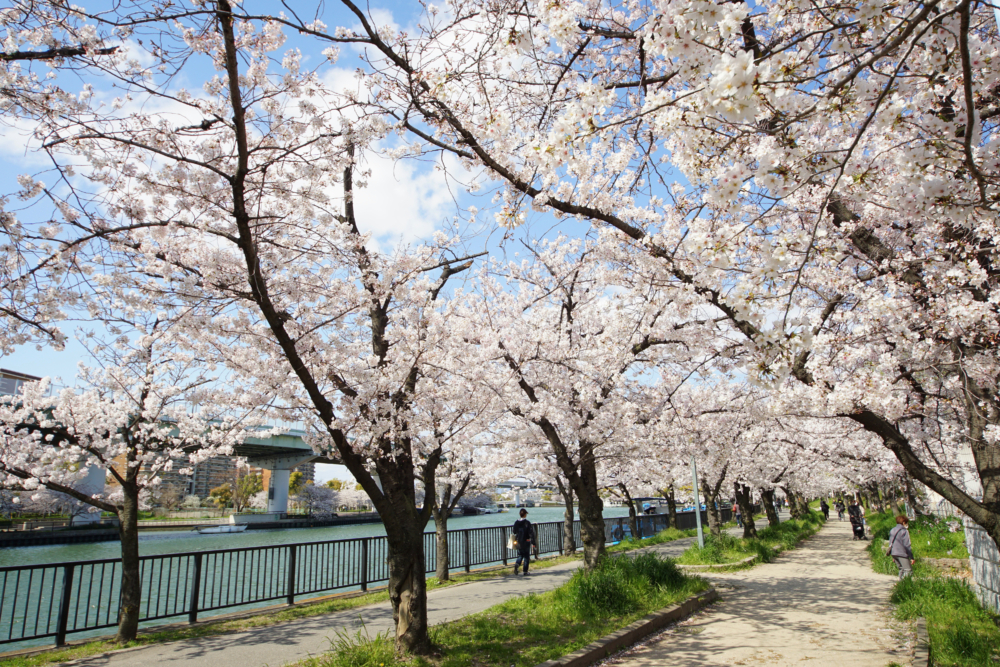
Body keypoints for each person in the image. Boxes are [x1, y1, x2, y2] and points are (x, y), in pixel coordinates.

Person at [512, 508, 533, 575]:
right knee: (526, 556)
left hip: (518, 541)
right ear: (525, 514)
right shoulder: (527, 522)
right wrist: (533, 542)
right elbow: (531, 532)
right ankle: (525, 571)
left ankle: (517, 564)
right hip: (526, 541)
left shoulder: (516, 522)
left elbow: (514, 531)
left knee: (520, 555)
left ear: (520, 514)